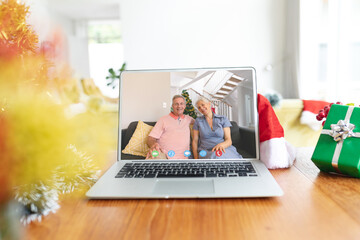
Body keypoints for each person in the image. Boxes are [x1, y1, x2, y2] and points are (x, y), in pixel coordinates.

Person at [146, 95, 195, 159]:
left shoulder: (189, 119)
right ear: (172, 106)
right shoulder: (163, 119)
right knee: (154, 159)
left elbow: (202, 123)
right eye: (176, 104)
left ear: (184, 106)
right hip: (164, 155)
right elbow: (151, 138)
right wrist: (153, 145)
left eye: (181, 104)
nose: (179, 106)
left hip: (184, 157)